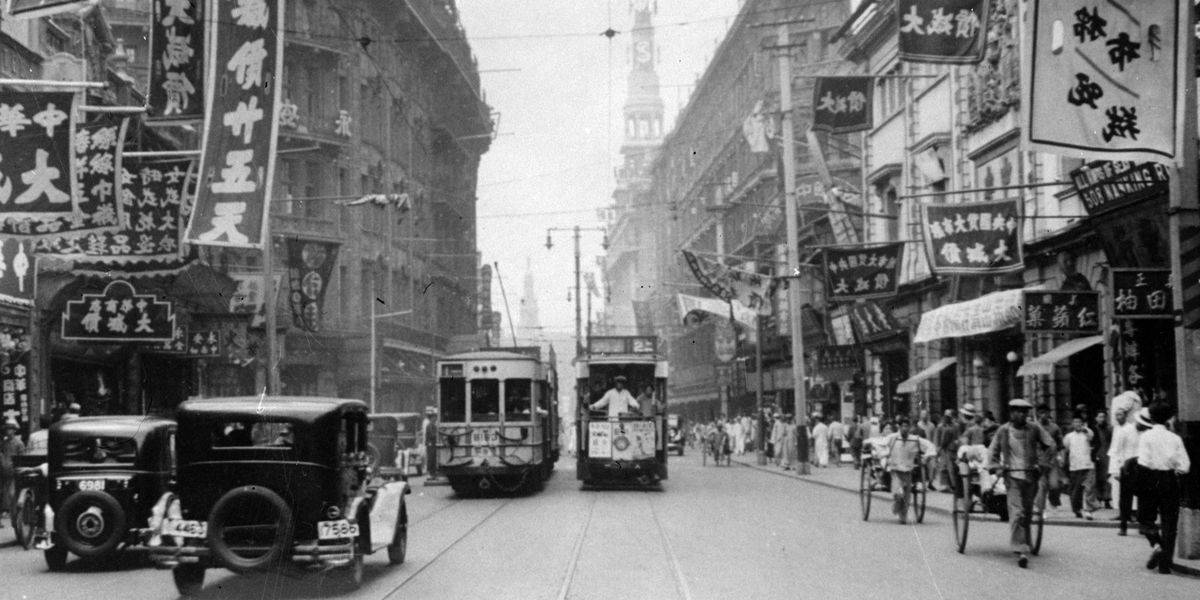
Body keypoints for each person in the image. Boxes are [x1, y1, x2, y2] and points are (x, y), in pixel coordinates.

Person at [988, 398, 1056, 569]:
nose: (1022, 415)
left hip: (1031, 476)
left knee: (1026, 512)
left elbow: (1051, 444)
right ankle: (1021, 549)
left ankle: (1024, 542)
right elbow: (993, 450)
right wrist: (995, 466)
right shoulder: (1003, 430)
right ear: (1011, 413)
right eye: (1018, 411)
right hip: (1012, 478)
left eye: (1025, 412)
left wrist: (1043, 463)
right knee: (1017, 513)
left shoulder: (1034, 428)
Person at [1137, 402, 1191, 575]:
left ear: (1151, 418)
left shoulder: (1146, 437)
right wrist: (1175, 470)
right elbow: (1185, 465)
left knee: (1145, 518)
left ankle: (1157, 543)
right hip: (1170, 479)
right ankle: (1165, 564)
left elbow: (1143, 461)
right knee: (1169, 521)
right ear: (1168, 419)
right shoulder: (1175, 438)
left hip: (1150, 478)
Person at [883, 416, 936, 524]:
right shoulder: (892, 438)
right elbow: (882, 445)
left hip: (908, 470)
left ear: (910, 427)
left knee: (907, 496)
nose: (905, 429)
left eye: (907, 426)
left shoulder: (915, 439)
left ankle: (903, 516)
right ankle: (896, 508)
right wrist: (884, 454)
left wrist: (927, 456)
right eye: (902, 426)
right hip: (895, 469)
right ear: (899, 427)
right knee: (898, 493)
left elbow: (929, 445)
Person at [1109, 405, 1148, 536]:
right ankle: (1123, 525)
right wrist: (1117, 469)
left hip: (1143, 466)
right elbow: (1117, 450)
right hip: (1127, 467)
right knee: (1125, 497)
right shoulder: (1125, 431)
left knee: (1143, 497)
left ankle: (1142, 524)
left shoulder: (1147, 433)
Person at [1062, 416, 1098, 520]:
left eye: (1079, 422)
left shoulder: (1087, 433)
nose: (1077, 424)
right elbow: (1066, 449)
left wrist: (1085, 429)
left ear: (1082, 423)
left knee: (1089, 488)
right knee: (1076, 490)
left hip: (1087, 465)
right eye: (1075, 422)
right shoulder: (1068, 436)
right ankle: (1077, 509)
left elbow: (1091, 436)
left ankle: (1089, 511)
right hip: (1075, 466)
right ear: (1072, 424)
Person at [1, 419, 26, 526]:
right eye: (7, 429)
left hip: (13, 471)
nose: (8, 431)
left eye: (10, 429)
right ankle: (7, 512)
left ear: (14, 430)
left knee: (12, 494)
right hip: (3, 470)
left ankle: (14, 517)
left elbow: (22, 457)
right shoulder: (4, 443)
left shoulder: (19, 443)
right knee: (5, 493)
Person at [1092, 409, 1112, 509]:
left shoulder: (1109, 429)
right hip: (1097, 454)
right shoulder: (1093, 429)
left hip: (1107, 454)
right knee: (1097, 477)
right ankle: (1099, 498)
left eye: (1103, 417)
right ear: (1096, 418)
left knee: (1107, 477)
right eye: (1100, 417)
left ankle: (1107, 499)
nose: (1102, 419)